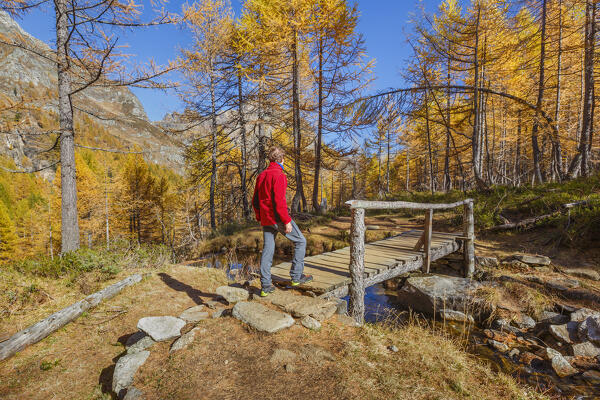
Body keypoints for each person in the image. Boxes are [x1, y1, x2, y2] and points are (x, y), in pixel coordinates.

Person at [252, 146, 313, 297]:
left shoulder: (261, 175)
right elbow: (279, 201)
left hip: (266, 218)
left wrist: (259, 216)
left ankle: (265, 286)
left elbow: (255, 201)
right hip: (278, 217)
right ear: (281, 160)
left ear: (270, 159)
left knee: (268, 249)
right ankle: (296, 277)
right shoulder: (279, 175)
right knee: (300, 242)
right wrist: (286, 221)